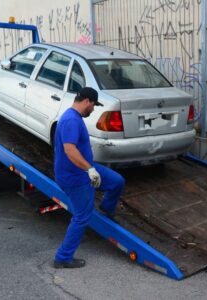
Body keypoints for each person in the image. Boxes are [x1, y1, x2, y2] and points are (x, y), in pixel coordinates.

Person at [53, 87, 125, 269]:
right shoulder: (71, 120)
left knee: (117, 181)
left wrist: (90, 168)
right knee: (82, 216)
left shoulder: (74, 117)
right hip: (75, 176)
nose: (93, 110)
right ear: (87, 101)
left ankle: (107, 210)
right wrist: (90, 170)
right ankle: (63, 257)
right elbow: (70, 149)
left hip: (85, 169)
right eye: (93, 106)